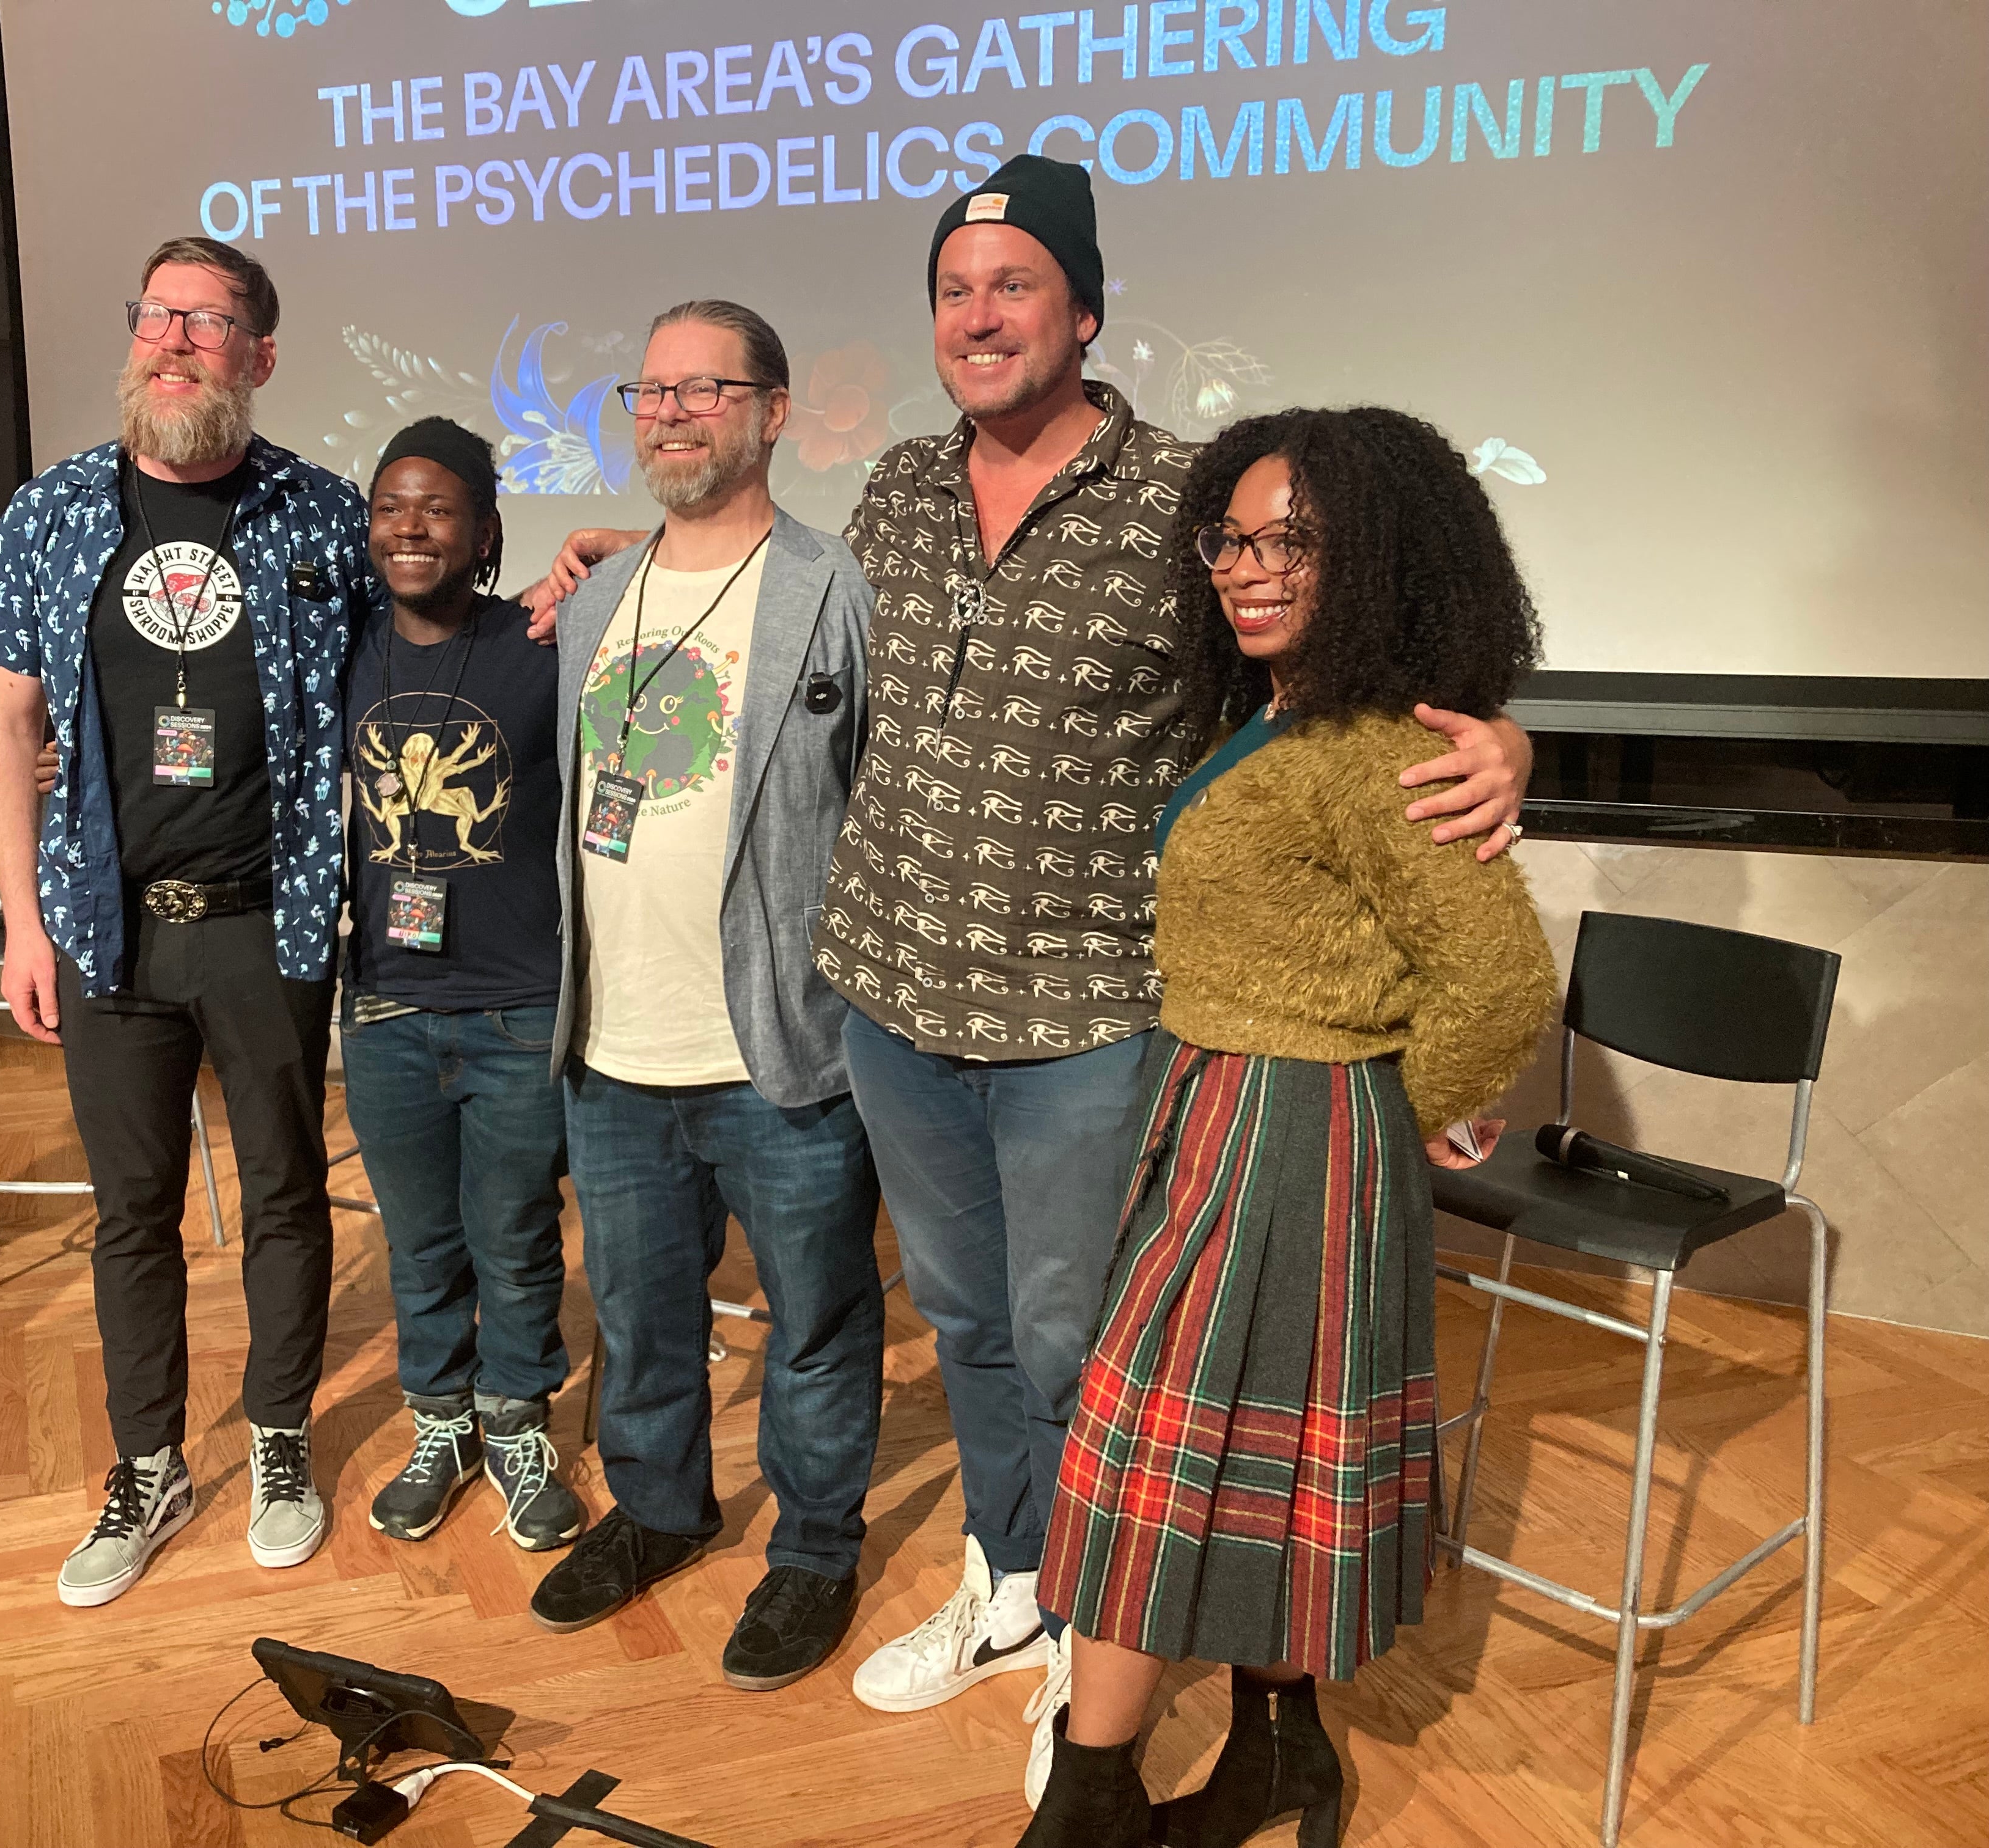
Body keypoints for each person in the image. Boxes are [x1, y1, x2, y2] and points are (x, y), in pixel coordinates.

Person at [528, 155, 1535, 1798]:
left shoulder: (1191, 501)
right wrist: (602, 566)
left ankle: (1096, 1636)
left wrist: (1502, 737)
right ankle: (1013, 1584)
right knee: (976, 1331)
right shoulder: (904, 492)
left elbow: (1348, 674)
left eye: (1012, 285)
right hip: (895, 1004)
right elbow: (752, 619)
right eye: (953, 288)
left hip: (1088, 1024)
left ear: (1083, 310)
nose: (978, 315)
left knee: (1083, 1349)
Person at [1017, 406, 1559, 1847]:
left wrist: (1392, 1117)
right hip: (1227, 1112)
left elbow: (1500, 981)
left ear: (1374, 556)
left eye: (1292, 542)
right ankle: (1280, 1755)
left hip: (1294, 1137)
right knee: (1259, 1466)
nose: (1248, 569)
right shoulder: (1280, 715)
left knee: (1143, 1476)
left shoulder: (1377, 746)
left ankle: (1086, 1806)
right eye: (1232, 538)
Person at [0, 237, 381, 1607]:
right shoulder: (52, 512)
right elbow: (4, 725)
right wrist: (24, 921)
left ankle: (276, 1438)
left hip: (268, 921)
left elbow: (422, 646)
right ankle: (149, 1463)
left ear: (260, 357)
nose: (177, 340)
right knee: (130, 1209)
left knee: (281, 1192)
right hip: (103, 929)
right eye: (158, 314)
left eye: (210, 322)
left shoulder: (322, 514)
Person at [526, 301, 886, 1695]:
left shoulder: (836, 590)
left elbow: (878, 804)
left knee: (815, 1322)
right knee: (639, 1313)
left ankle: (813, 1551)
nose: (671, 415)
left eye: (705, 390)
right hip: (610, 1049)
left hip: (780, 1050)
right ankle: (663, 1512)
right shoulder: (596, 602)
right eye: (651, 391)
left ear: (774, 412)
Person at [338, 417, 583, 1553]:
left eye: (438, 508)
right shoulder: (341, 653)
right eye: (391, 505)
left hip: (517, 1003)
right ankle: (440, 1422)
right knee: (422, 1238)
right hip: (386, 1006)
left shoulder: (544, 640)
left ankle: (517, 1421)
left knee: (516, 1231)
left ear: (485, 529)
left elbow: (689, 596)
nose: (409, 527)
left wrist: (606, 550)